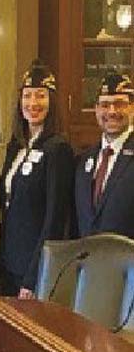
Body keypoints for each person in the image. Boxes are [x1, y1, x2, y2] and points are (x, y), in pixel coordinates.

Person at [0, 60, 74, 298]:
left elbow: (54, 219)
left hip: (35, 271)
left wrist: (32, 277)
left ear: (52, 101)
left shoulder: (57, 149)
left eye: (40, 96)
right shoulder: (15, 147)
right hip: (10, 263)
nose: (33, 104)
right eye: (27, 96)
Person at [74, 70, 134, 239]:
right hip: (89, 261)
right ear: (96, 109)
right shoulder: (84, 160)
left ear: (132, 107)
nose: (112, 112)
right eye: (105, 105)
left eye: (120, 104)